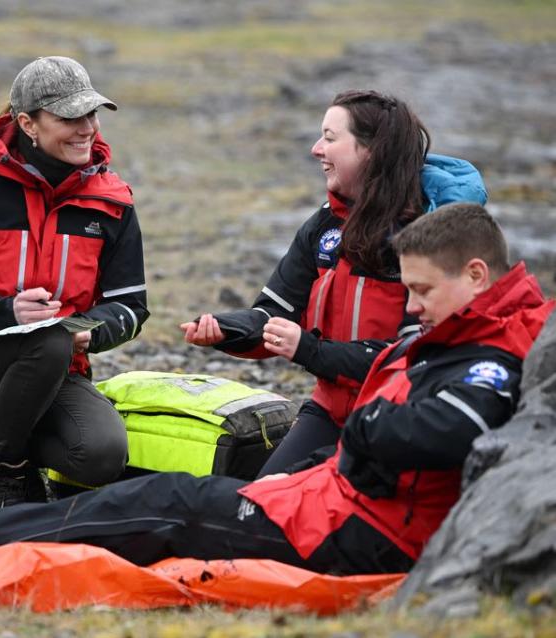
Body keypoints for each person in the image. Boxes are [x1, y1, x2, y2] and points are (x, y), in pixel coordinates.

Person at [0, 203, 553, 602]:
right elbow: (383, 380)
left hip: (357, 532)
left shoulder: (490, 356)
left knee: (170, 505)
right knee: (167, 503)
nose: (410, 307)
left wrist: (366, 427)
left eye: (420, 291)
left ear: (474, 275)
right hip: (333, 503)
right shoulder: (466, 330)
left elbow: (444, 430)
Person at [180, 90, 487, 477]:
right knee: (262, 501)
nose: (315, 149)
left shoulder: (428, 232)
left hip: (398, 416)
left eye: (329, 137)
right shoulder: (327, 223)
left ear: (371, 150)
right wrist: (226, 330)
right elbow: (275, 313)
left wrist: (307, 349)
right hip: (330, 408)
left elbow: (410, 356)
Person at [0, 56, 148, 512]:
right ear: (28, 123)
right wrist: (7, 314)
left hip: (61, 370)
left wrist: (92, 330)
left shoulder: (113, 201)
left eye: (92, 115)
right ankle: (4, 474)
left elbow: (131, 307)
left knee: (101, 455)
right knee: (48, 338)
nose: (87, 129)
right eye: (69, 117)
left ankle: (21, 446)